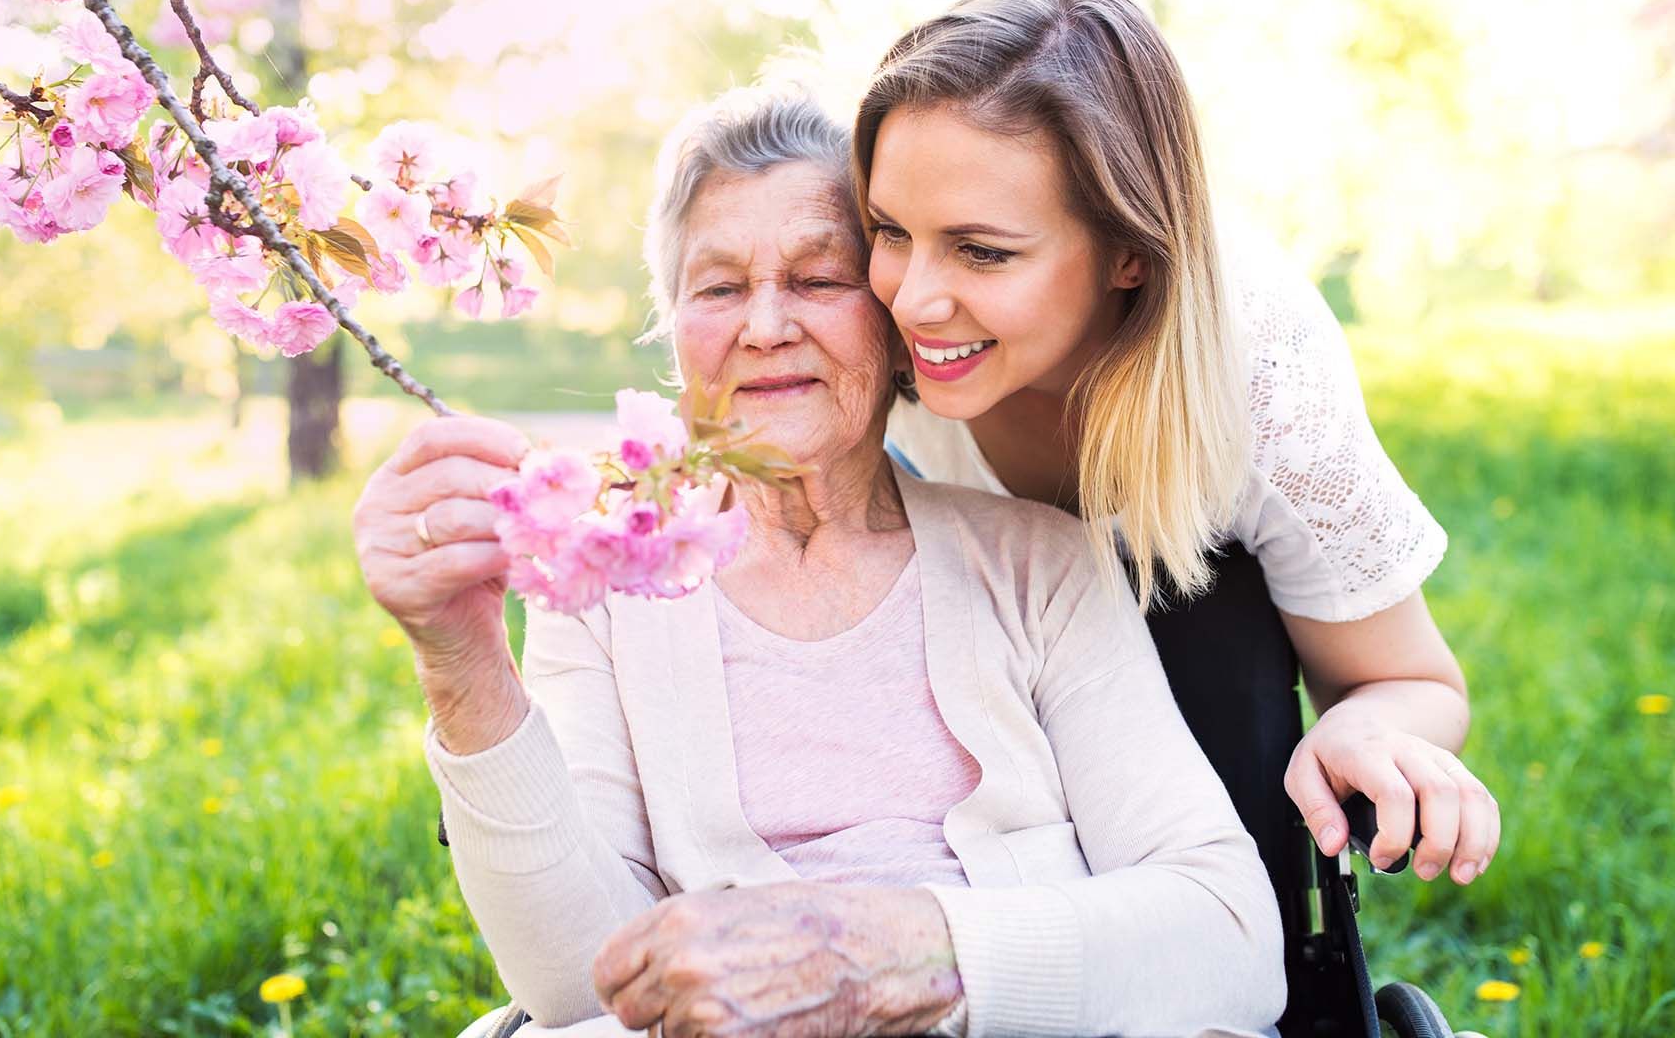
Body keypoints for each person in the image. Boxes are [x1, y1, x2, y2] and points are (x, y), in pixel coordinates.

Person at [353, 87, 1286, 1038]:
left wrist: (914, 959)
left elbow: (1229, 937)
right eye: (717, 288)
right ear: (677, 334)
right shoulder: (605, 595)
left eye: (817, 279)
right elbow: (577, 987)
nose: (763, 327)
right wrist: (460, 656)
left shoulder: (1039, 567)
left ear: (894, 329)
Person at [856, 0, 1500, 888]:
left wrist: (1364, 728)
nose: (912, 299)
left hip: (1186, 789)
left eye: (984, 251)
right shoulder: (859, 323)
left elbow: (1415, 684)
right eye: (889, 230)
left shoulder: (1263, 374)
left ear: (1130, 249)